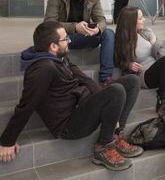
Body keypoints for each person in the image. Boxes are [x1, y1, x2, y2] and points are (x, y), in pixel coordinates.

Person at [0, 21, 142, 171]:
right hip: (69, 124)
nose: (69, 41)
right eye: (65, 39)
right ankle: (104, 148)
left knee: (132, 81)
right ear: (53, 46)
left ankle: (116, 134)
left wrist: (111, 111)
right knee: (116, 91)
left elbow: (85, 79)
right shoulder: (42, 69)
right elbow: (26, 105)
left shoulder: (59, 58)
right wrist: (7, 141)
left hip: (81, 106)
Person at [44, 0, 115, 87]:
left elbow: (101, 20)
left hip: (84, 35)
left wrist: (97, 29)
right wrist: (75, 27)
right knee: (52, 39)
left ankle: (106, 78)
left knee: (108, 33)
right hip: (64, 39)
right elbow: (49, 24)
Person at [114, 7, 165, 111]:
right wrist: (128, 64)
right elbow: (117, 60)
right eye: (140, 18)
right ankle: (162, 100)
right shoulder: (122, 40)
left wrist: (155, 41)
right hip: (145, 75)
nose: (144, 20)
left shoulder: (145, 33)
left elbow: (161, 54)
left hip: (163, 72)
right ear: (131, 22)